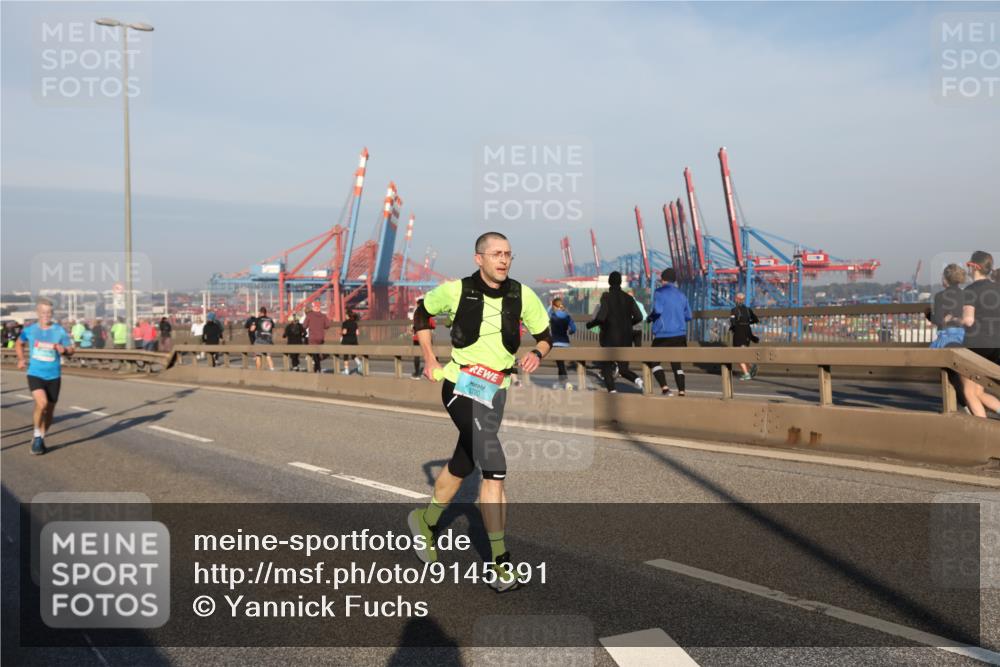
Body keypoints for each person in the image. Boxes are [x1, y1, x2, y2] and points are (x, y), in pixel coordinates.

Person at [407, 231, 552, 592]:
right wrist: (429, 357)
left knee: (463, 462)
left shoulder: (521, 294)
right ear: (479, 259)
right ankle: (500, 565)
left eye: (508, 254)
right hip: (460, 385)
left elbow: (546, 333)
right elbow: (422, 313)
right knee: (494, 466)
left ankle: (425, 521)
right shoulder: (456, 290)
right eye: (496, 254)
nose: (503, 260)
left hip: (497, 390)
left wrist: (537, 353)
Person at [15, 298, 74, 455]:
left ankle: (40, 438)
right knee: (42, 404)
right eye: (43, 312)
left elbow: (71, 349)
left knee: (50, 411)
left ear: (52, 313)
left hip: (54, 375)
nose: (46, 315)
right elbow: (19, 343)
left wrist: (65, 350)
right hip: (35, 373)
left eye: (49, 312)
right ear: (38, 313)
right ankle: (36, 435)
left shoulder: (59, 331)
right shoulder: (30, 330)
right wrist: (21, 359)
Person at [586, 271, 643, 393]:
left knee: (606, 366)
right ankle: (638, 380)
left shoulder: (606, 297)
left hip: (610, 338)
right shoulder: (629, 298)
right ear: (621, 282)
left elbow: (601, 317)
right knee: (623, 369)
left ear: (609, 282)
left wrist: (590, 324)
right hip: (626, 338)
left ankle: (612, 391)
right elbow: (639, 317)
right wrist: (627, 325)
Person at [959, 251, 1000, 418]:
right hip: (996, 345)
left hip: (976, 346)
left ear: (973, 267)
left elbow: (968, 320)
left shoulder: (970, 290)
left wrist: (952, 318)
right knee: (978, 392)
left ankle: (983, 431)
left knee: (969, 392)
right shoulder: (997, 289)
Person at [645, 268, 693, 396]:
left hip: (663, 334)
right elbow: (689, 316)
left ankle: (665, 388)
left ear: (663, 279)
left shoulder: (659, 292)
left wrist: (650, 318)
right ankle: (682, 391)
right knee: (676, 364)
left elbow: (658, 310)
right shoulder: (682, 295)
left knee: (653, 361)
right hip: (680, 335)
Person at [928, 264, 966, 349]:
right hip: (963, 337)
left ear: (945, 279)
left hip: (945, 338)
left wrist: (928, 314)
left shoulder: (940, 296)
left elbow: (938, 320)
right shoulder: (966, 295)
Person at [729, 293, 760, 380]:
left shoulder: (734, 310)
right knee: (743, 352)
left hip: (739, 332)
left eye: (735, 298)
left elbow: (733, 322)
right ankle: (751, 366)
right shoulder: (748, 310)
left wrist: (733, 328)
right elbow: (756, 320)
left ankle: (747, 373)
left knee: (738, 354)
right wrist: (747, 323)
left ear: (737, 299)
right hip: (747, 332)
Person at [548, 297, 577, 388]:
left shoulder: (552, 315)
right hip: (565, 343)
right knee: (560, 363)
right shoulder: (567, 316)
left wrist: (550, 305)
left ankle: (566, 382)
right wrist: (570, 332)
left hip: (556, 343)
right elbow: (573, 329)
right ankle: (560, 382)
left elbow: (546, 313)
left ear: (554, 306)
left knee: (560, 364)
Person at [302, 301, 331, 373]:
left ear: (313, 307)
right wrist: (321, 326)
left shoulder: (309, 315)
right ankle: (317, 368)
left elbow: (304, 326)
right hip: (321, 337)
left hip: (312, 337)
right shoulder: (323, 316)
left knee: (314, 353)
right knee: (318, 353)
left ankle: (317, 368)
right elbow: (327, 326)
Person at [411, 304, 437, 379]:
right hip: (427, 338)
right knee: (429, 355)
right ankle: (431, 372)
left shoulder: (416, 315)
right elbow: (433, 326)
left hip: (416, 338)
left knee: (417, 356)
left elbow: (413, 327)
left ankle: (416, 373)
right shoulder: (428, 316)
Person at [250, 307, 275, 371]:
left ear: (260, 312)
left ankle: (258, 373)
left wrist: (253, 325)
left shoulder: (257, 319)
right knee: (268, 356)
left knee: (258, 356)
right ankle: (272, 371)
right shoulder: (270, 320)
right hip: (268, 340)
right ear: (265, 312)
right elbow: (273, 329)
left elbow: (252, 329)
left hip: (259, 340)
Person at [340, 309, 360, 375]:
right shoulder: (355, 323)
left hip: (346, 341)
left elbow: (344, 332)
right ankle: (359, 363)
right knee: (353, 355)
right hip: (354, 340)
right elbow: (357, 333)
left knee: (346, 356)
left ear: (347, 315)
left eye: (345, 315)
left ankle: (346, 371)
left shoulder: (345, 323)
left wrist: (340, 333)